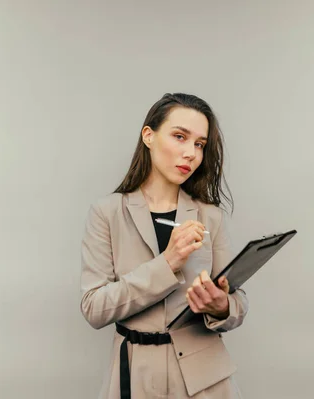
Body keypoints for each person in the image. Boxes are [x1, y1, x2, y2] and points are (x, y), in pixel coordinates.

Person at [80, 93, 249, 398]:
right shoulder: (107, 213)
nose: (191, 153)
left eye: (199, 144)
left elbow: (237, 305)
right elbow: (94, 309)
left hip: (207, 380)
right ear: (149, 135)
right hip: (135, 378)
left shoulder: (210, 216)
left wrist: (221, 305)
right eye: (179, 136)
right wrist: (167, 263)